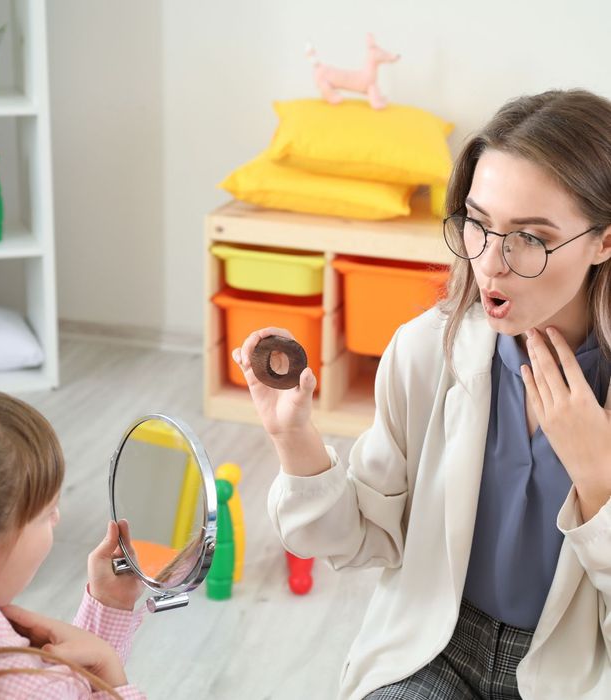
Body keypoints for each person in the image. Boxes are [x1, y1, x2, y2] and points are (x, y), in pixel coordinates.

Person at [233, 89, 611, 700]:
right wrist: (294, 436)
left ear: (604, 241)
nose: (491, 263)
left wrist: (599, 480)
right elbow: (365, 538)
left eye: (531, 238)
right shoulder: (423, 352)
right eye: (479, 224)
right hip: (437, 645)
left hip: (577, 671)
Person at [0, 391, 147, 699]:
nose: (57, 518)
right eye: (47, 512)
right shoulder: (32, 688)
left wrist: (108, 608)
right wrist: (111, 673)